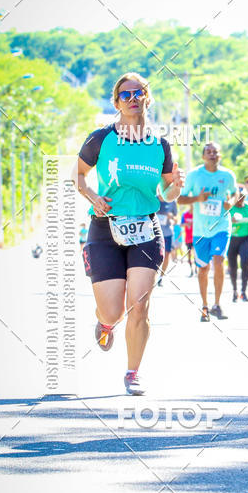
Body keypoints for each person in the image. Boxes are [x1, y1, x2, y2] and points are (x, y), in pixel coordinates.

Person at [76, 72, 183, 394]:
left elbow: (167, 192)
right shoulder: (101, 138)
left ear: (147, 98)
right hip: (105, 228)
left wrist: (176, 188)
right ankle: (105, 322)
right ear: (117, 102)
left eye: (139, 93)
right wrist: (92, 197)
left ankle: (133, 372)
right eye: (126, 94)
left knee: (139, 305)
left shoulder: (160, 145)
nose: (133, 98)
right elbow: (78, 175)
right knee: (113, 310)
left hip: (146, 230)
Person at [177, 142, 238, 321]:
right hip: (201, 230)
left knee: (219, 261)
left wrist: (231, 202)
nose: (212, 154)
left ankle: (217, 305)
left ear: (220, 156)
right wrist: (198, 198)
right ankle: (204, 305)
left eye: (215, 152)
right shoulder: (194, 175)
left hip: (221, 226)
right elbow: (180, 199)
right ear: (203, 156)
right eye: (208, 152)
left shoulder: (228, 175)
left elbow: (236, 193)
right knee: (203, 268)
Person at [228, 186, 248, 301]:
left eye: (243, 197)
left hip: (246, 238)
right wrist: (229, 220)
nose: (241, 199)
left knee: (244, 263)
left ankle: (243, 292)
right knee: (233, 266)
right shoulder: (230, 208)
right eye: (239, 197)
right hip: (231, 239)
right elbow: (221, 220)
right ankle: (235, 291)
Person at [156, 194, 177, 286]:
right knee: (155, 255)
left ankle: (161, 277)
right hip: (154, 233)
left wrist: (171, 217)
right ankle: (153, 274)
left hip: (167, 233)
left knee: (166, 255)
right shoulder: (153, 199)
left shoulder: (172, 201)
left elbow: (176, 219)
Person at [181, 208, 195, 275]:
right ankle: (191, 270)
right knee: (189, 254)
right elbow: (181, 224)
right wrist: (187, 224)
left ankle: (196, 269)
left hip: (196, 237)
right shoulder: (185, 214)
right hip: (188, 238)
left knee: (196, 255)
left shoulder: (196, 213)